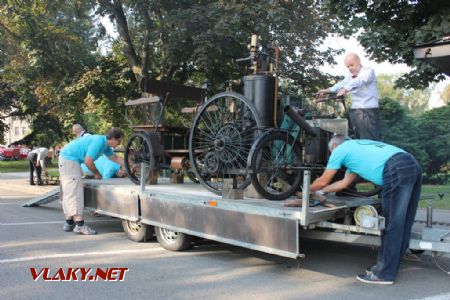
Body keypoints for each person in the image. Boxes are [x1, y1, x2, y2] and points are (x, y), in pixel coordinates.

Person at [286, 134, 422, 285]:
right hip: (411, 163)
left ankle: (383, 274)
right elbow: (344, 183)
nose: (333, 156)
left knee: (391, 223)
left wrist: (304, 191)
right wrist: (320, 193)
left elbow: (323, 180)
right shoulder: (357, 148)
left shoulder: (340, 150)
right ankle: (391, 264)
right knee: (404, 221)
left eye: (331, 153)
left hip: (396, 168)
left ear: (335, 146)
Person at [59, 128, 125, 235]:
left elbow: (115, 158)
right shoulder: (99, 142)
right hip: (69, 160)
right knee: (75, 193)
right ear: (113, 139)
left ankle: (69, 222)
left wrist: (130, 164)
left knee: (70, 192)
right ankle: (80, 226)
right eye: (119, 141)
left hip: (68, 159)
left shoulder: (105, 145)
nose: (119, 144)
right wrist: (97, 173)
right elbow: (88, 161)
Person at [319, 53, 380, 140]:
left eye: (352, 65)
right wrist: (328, 90)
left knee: (369, 140)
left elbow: (359, 80)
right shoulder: (350, 75)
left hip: (367, 111)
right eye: (347, 66)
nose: (350, 68)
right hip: (356, 111)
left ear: (359, 61)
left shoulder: (368, 71)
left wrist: (345, 89)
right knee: (358, 140)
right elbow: (343, 83)